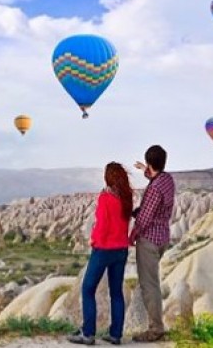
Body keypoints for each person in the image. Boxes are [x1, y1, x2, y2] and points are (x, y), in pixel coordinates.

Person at [68, 162, 134, 345]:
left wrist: (94, 240)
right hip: (121, 250)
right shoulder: (126, 196)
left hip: (104, 249)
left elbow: (102, 224)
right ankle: (115, 334)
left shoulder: (106, 197)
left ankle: (88, 333)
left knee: (88, 289)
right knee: (116, 293)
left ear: (107, 177)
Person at [130, 145, 176, 342]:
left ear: (150, 163)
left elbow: (145, 217)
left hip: (149, 240)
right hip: (163, 237)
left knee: (149, 285)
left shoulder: (154, 189)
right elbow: (156, 178)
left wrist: (132, 234)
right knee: (154, 282)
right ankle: (157, 325)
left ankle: (156, 329)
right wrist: (145, 170)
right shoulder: (167, 180)